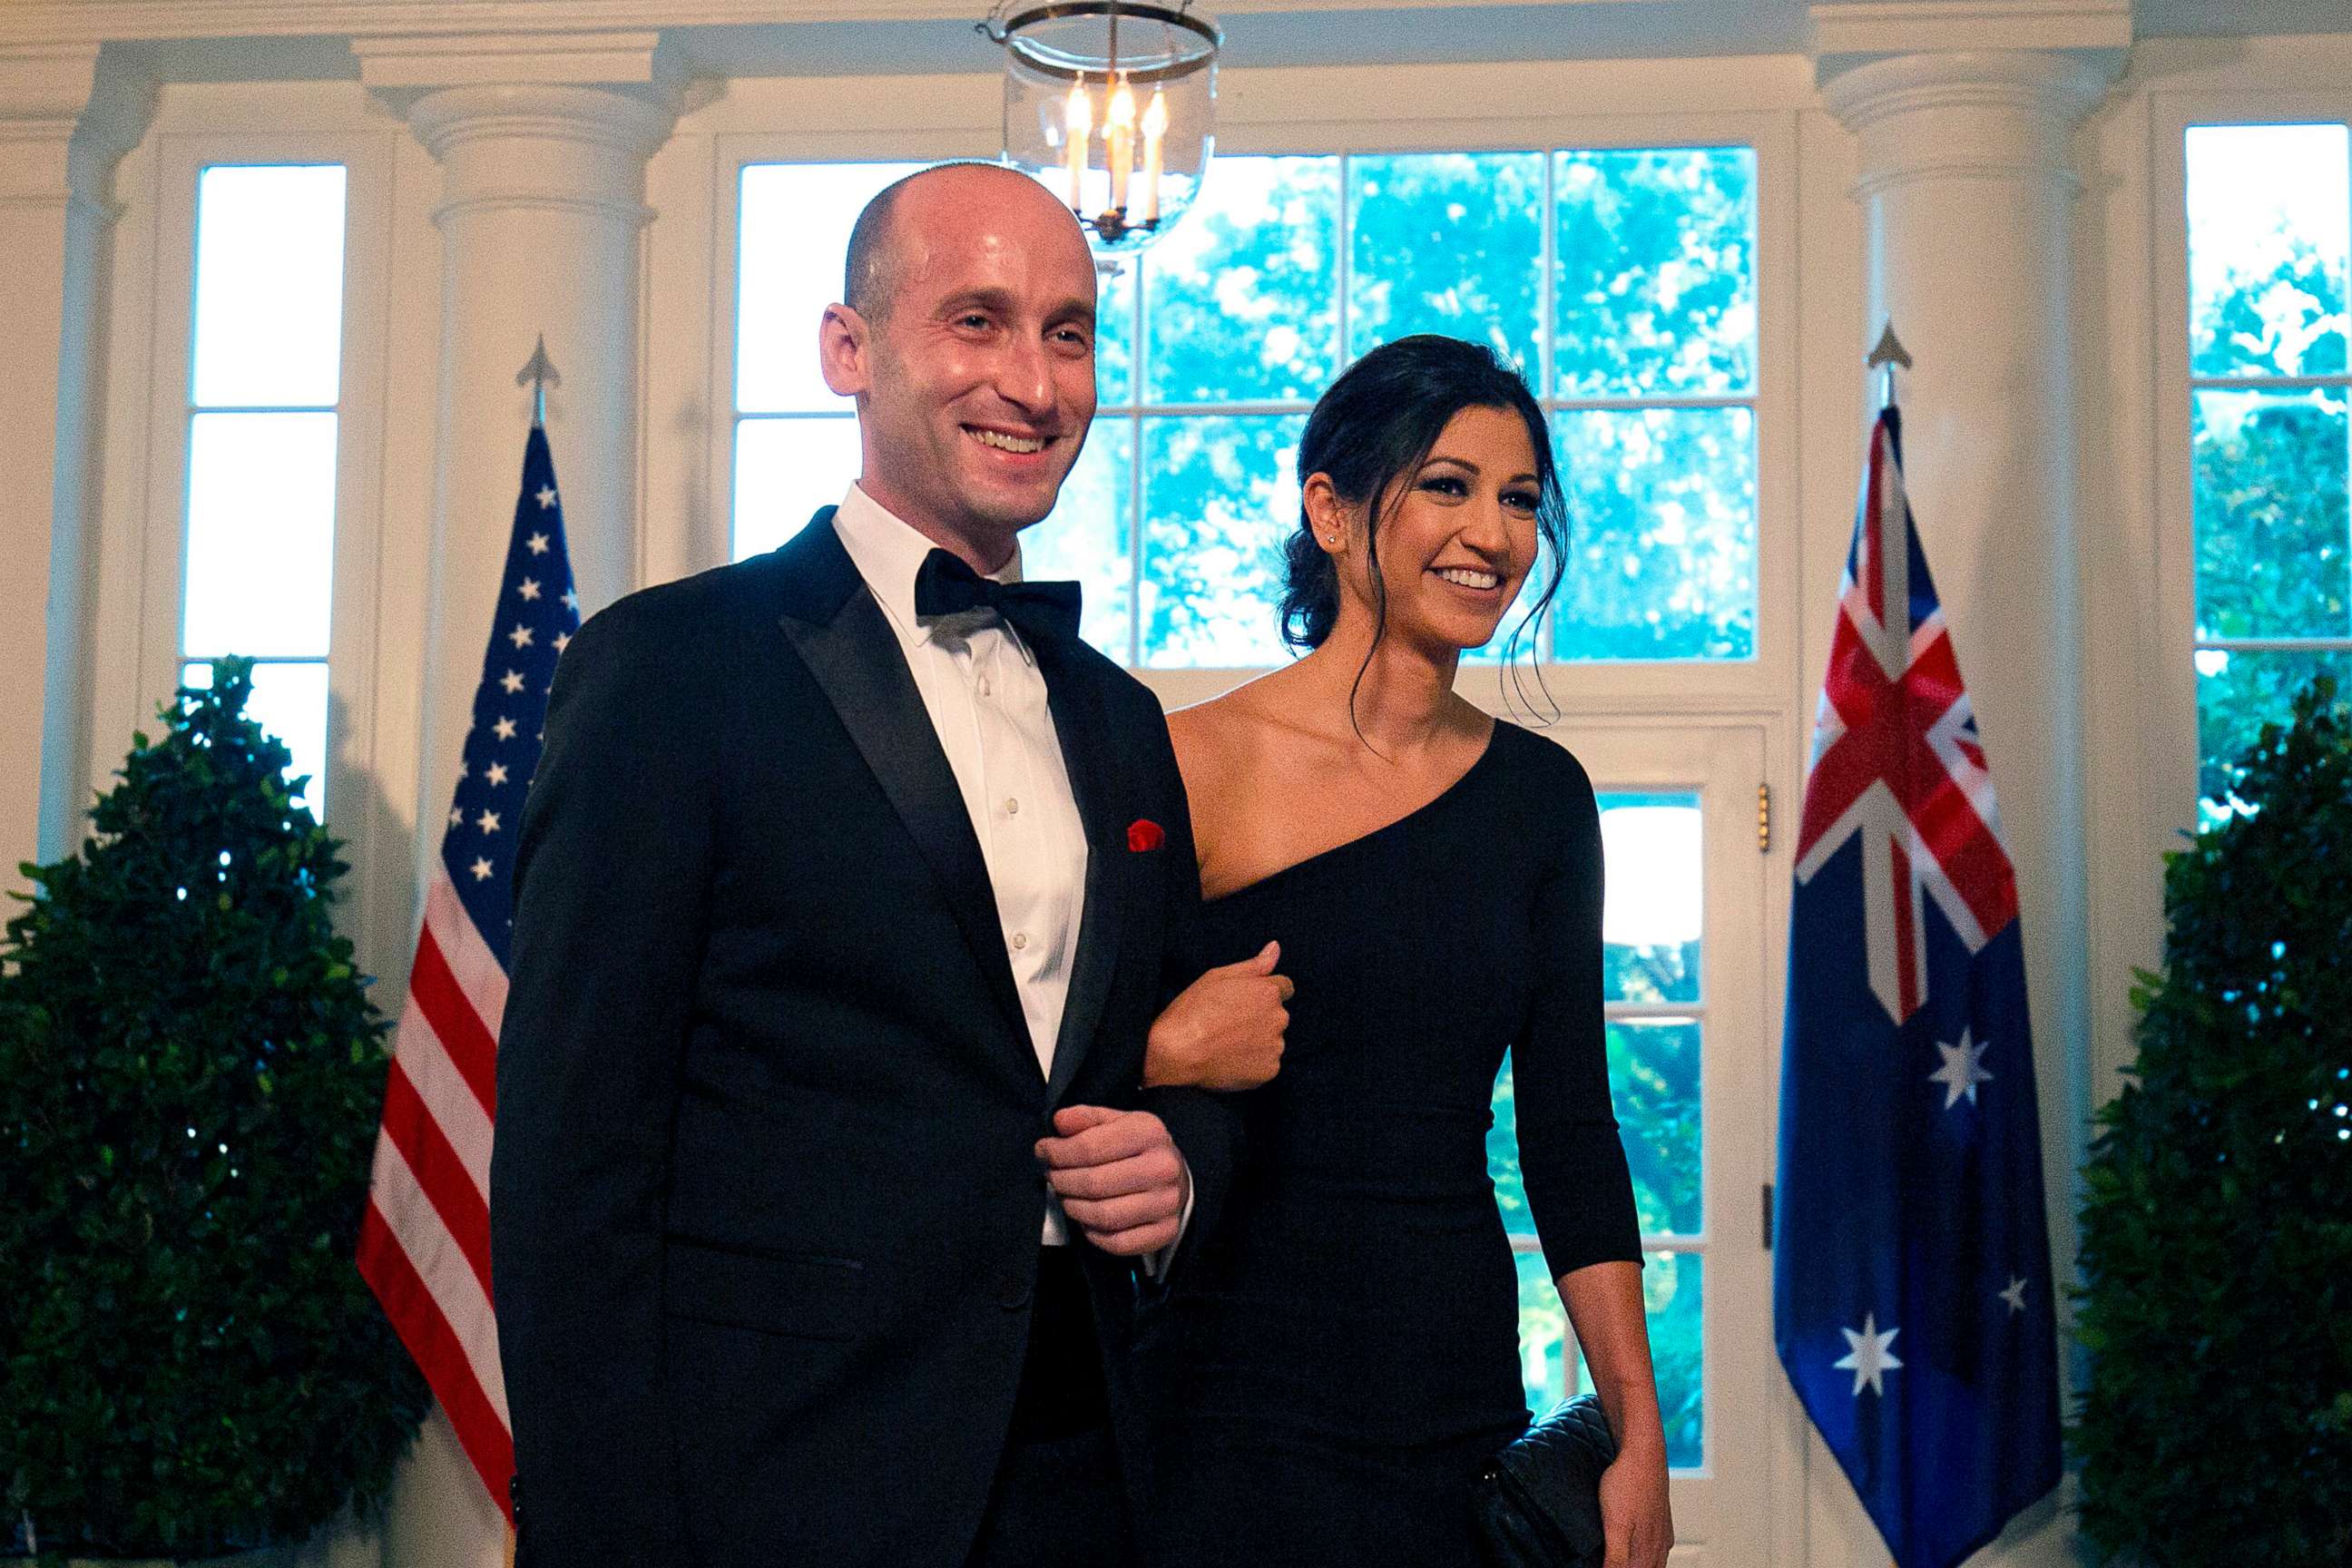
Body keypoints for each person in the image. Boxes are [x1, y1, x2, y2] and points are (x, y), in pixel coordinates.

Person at [489, 162, 1289, 1568]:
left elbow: (1159, 1056)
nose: (1034, 383)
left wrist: (1184, 1159)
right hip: (777, 1483)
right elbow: (574, 1160)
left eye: (1068, 331)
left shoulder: (1115, 717)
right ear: (847, 351)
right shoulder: (671, 668)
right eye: (976, 321)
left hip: (1089, 1478)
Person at [1139, 335, 1676, 1568]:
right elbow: (1058, 1059)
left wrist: (1637, 1431)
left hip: (1447, 1385)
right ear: (1329, 509)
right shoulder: (1185, 761)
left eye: (1521, 498)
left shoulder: (1541, 797)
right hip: (1221, 1384)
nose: (1493, 532)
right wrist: (1157, 1044)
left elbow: (1572, 1132)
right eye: (1448, 484)